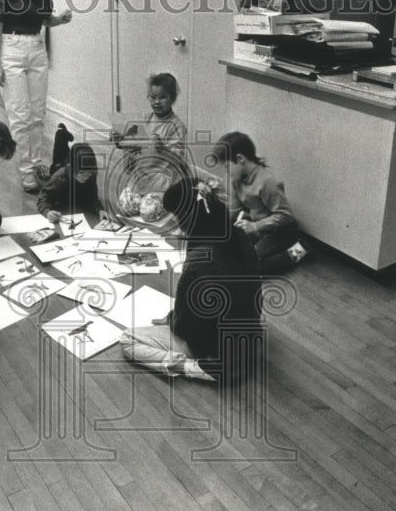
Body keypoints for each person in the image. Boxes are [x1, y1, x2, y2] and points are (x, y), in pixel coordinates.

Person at [120, 176, 263, 382]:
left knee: (128, 339)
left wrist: (172, 319)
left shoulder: (200, 260)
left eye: (178, 217)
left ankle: (195, 368)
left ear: (189, 219)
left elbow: (187, 328)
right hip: (249, 336)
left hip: (216, 351)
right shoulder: (239, 235)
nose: (177, 225)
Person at [0, 0, 73, 193]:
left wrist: (58, 20)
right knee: (20, 116)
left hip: (37, 46)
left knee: (38, 114)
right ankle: (26, 171)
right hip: (11, 48)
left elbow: (43, 18)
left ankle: (37, 165)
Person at [212, 131, 308, 273]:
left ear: (240, 159)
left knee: (251, 267)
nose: (226, 172)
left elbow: (285, 215)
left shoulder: (267, 181)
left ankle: (301, 250)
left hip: (279, 231)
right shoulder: (236, 179)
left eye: (226, 166)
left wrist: (255, 227)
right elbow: (232, 212)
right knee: (231, 255)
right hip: (258, 229)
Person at [111, 72, 188, 204]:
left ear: (172, 98)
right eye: (153, 97)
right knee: (125, 206)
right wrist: (120, 140)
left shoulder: (177, 126)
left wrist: (162, 149)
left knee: (148, 212)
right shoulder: (145, 119)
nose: (157, 102)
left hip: (162, 180)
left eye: (162, 97)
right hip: (141, 176)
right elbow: (132, 146)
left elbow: (177, 160)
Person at [37, 143, 111, 224]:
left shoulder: (91, 175)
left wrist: (100, 210)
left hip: (80, 208)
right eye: (82, 173)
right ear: (70, 168)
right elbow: (43, 199)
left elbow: (92, 197)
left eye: (89, 173)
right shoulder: (59, 177)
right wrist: (47, 212)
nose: (86, 177)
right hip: (61, 209)